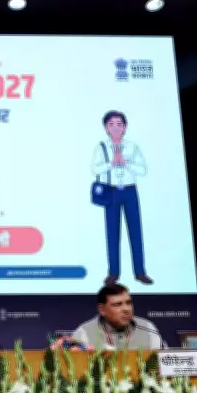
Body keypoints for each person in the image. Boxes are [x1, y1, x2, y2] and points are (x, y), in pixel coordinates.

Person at [91, 110, 153, 286]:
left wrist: (127, 163)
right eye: (111, 124)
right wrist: (111, 163)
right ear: (106, 128)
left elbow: (143, 170)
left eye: (119, 124)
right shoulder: (101, 147)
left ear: (125, 127)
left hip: (130, 191)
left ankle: (140, 272)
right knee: (112, 233)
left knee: (135, 231)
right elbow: (94, 169)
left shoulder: (132, 147)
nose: (115, 128)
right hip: (111, 191)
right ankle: (113, 273)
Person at [71, 283, 163, 350]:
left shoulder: (148, 329)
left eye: (128, 303)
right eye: (117, 305)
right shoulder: (84, 333)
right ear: (102, 309)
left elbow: (164, 364)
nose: (126, 309)